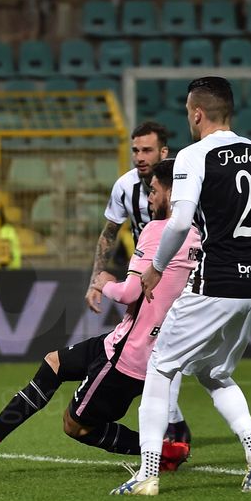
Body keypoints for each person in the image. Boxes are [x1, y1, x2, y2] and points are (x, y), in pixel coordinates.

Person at [114, 77, 251, 496]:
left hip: (217, 281)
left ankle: (146, 474)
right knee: (215, 370)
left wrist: (154, 267)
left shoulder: (194, 155)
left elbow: (181, 220)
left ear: (197, 113)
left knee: (161, 366)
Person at [0, 159, 196, 471]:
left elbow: (130, 293)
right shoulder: (195, 236)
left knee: (75, 426)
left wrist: (106, 283)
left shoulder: (157, 231)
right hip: (138, 344)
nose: (150, 198)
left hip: (128, 354)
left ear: (171, 191)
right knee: (54, 362)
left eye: (155, 191)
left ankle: (163, 453)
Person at [86, 120, 192, 449]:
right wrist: (95, 281)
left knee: (168, 354)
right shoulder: (124, 187)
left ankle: (168, 432)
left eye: (147, 150)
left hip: (178, 278)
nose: (139, 156)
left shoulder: (186, 185)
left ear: (163, 152)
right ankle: (171, 431)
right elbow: (109, 233)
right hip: (144, 278)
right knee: (158, 353)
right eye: (135, 150)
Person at [0, 206, 22, 270]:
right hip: (12, 265)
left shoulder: (5, 230)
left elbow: (5, 249)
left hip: (11, 266)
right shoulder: (5, 229)